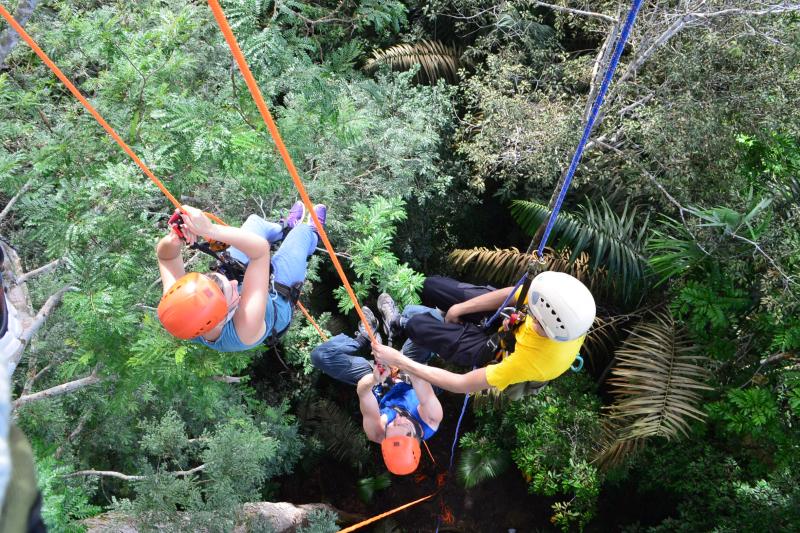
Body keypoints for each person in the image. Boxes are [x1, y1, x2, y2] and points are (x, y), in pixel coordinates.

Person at [370, 272, 595, 395]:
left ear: (544, 325)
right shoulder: (554, 297)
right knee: (432, 285)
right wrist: (461, 309)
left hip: (501, 349)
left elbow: (462, 384)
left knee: (419, 326)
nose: (533, 316)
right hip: (508, 320)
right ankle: (442, 319)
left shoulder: (536, 362)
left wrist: (399, 360)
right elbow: (516, 295)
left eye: (535, 319)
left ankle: (399, 323)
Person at [156, 201, 325, 351]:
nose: (234, 283)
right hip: (277, 298)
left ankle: (285, 228)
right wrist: (210, 230)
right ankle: (312, 233)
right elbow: (260, 251)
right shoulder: (245, 328)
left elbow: (167, 257)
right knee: (300, 234)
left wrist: (175, 238)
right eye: (232, 290)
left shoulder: (179, 308)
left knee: (255, 222)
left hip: (242, 271)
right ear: (224, 317)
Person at [311, 307, 442, 476]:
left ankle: (363, 338)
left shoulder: (376, 432)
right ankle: (396, 322)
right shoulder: (431, 418)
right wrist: (396, 361)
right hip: (411, 372)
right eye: (402, 426)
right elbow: (418, 374)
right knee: (436, 320)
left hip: (380, 382)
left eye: (391, 426)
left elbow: (363, 392)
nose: (398, 420)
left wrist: (375, 378)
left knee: (320, 356)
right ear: (414, 437)